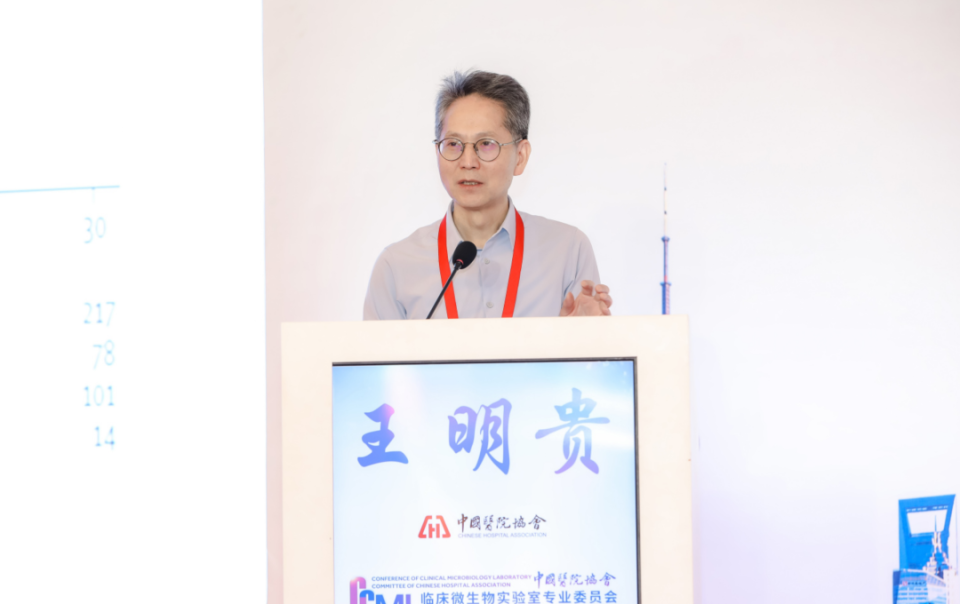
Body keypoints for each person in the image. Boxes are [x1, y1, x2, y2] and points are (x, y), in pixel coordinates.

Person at [363, 70, 613, 320]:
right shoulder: (396, 267)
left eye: (486, 144)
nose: (468, 162)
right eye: (453, 144)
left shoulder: (568, 251)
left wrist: (581, 335)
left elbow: (589, 346)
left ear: (520, 157)